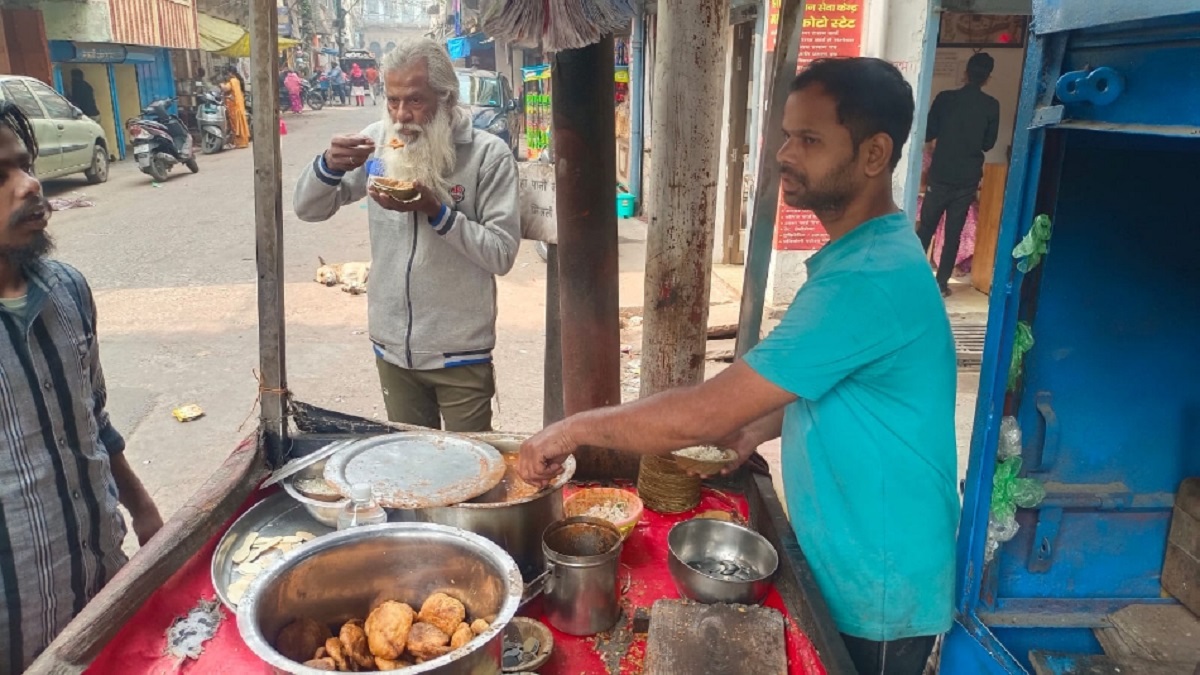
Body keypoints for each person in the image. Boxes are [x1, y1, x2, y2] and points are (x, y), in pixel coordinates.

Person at [518, 58, 957, 675]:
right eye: (787, 135)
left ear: (874, 154)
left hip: (879, 589)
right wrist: (757, 427)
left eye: (809, 140)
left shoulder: (865, 279)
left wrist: (569, 431)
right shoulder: (864, 255)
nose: (784, 154)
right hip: (860, 562)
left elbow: (701, 414)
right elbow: (839, 389)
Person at [0, 101, 163, 672]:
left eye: (25, 165)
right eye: (0, 176)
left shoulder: (67, 290)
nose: (29, 185)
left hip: (101, 586)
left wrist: (142, 508)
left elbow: (92, 420)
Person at [294, 37, 520, 432]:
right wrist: (329, 166)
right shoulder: (378, 144)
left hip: (460, 353)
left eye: (415, 100)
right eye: (392, 100)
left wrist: (438, 212)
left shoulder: (487, 155)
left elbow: (501, 253)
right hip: (392, 349)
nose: (401, 116)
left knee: (469, 460)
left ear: (446, 99)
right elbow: (308, 209)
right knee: (411, 459)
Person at [917, 52, 1000, 297]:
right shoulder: (991, 105)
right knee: (953, 233)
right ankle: (941, 284)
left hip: (940, 174)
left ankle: (913, 280)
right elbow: (988, 143)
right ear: (988, 78)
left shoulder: (945, 99)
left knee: (926, 228)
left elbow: (928, 131)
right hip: (967, 179)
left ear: (966, 73)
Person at [220, 66, 250, 149]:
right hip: (239, 105)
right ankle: (243, 142)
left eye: (228, 73)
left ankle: (239, 143)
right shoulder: (237, 80)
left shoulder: (232, 81)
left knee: (236, 125)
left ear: (230, 73)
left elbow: (226, 88)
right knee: (241, 124)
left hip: (234, 107)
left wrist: (221, 84)